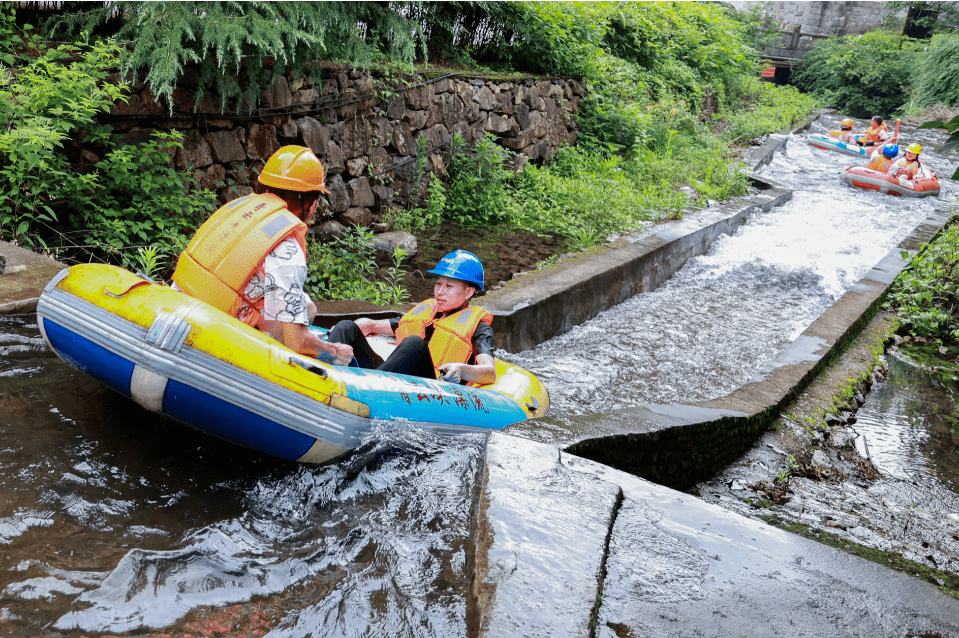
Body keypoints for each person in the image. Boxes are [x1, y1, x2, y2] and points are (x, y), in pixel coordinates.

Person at [171, 145, 354, 365]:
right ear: (311, 204)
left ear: (266, 187)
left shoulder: (239, 209)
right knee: (304, 325)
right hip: (211, 334)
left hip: (176, 305)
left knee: (308, 307)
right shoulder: (287, 249)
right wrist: (333, 351)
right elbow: (296, 342)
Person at [327, 250, 497, 385]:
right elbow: (371, 325)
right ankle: (323, 375)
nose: (440, 292)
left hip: (431, 387)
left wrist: (461, 370)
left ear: (468, 292)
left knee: (414, 343)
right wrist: (357, 327)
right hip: (391, 378)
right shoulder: (427, 313)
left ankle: (368, 388)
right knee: (346, 326)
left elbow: (489, 372)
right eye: (438, 284)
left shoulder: (479, 328)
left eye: (449, 286)